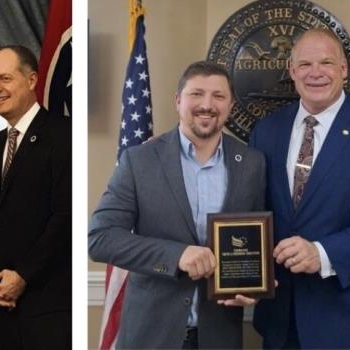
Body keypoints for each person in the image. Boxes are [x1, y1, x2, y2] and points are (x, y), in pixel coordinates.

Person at [249, 28, 350, 349]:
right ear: (292, 71)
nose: (316, 73)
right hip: (280, 319)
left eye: (326, 62)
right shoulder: (267, 131)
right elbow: (255, 211)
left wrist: (322, 253)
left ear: (343, 70)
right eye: (306, 64)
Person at [89, 61, 266, 349]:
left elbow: (255, 240)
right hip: (151, 336)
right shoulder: (139, 161)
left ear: (231, 105)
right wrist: (176, 255)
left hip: (218, 336)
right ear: (178, 100)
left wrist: (254, 285)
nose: (207, 105)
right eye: (196, 94)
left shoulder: (252, 163)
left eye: (218, 96)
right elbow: (100, 238)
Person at [0, 45, 71, 350]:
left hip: (50, 306)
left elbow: (64, 217)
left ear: (31, 80)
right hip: (3, 307)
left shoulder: (64, 135)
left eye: (5, 78)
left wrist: (24, 276)